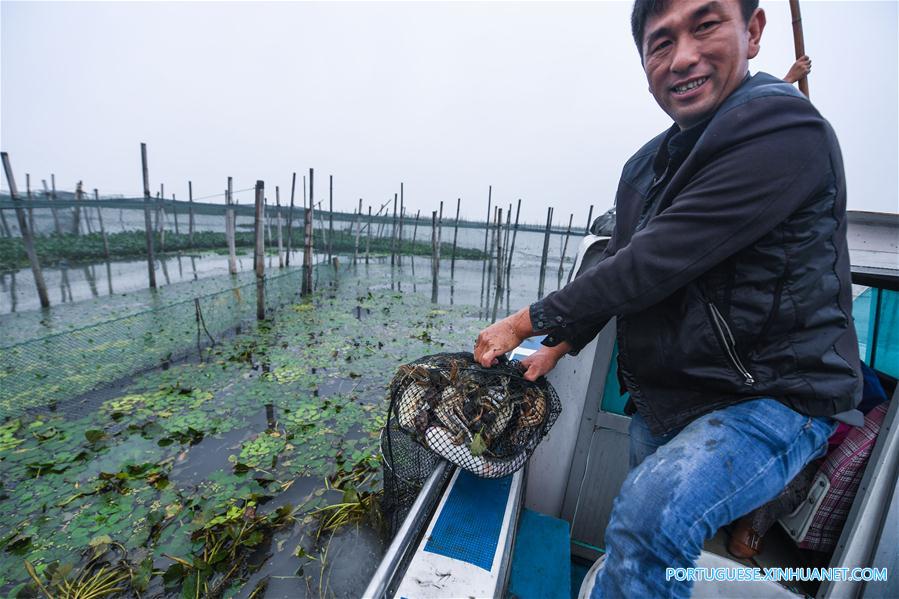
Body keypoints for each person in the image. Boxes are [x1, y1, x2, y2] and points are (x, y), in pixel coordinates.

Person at [473, 0, 862, 597]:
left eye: (706, 25)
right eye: (660, 43)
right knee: (654, 539)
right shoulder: (645, 167)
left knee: (648, 517)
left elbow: (661, 260)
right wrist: (558, 345)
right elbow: (628, 266)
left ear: (753, 32)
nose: (683, 57)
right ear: (645, 63)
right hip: (668, 398)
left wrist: (525, 321)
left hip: (773, 395)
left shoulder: (787, 129)